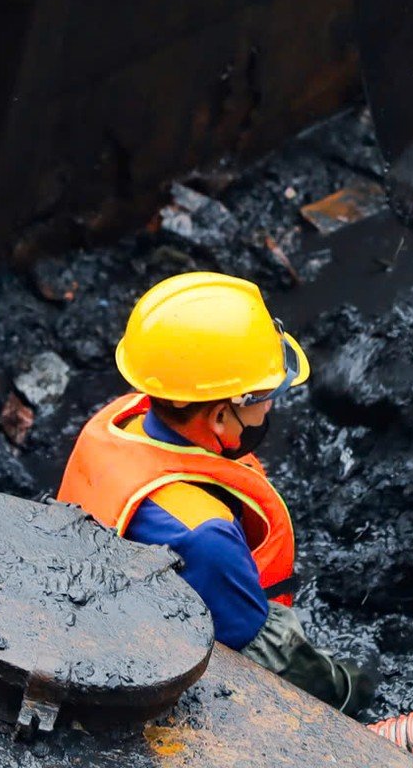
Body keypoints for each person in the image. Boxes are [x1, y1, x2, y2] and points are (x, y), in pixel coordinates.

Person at [58, 271, 373, 713]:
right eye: (266, 396)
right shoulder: (205, 536)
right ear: (223, 417)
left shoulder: (123, 422)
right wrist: (351, 691)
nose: (272, 406)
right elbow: (274, 661)